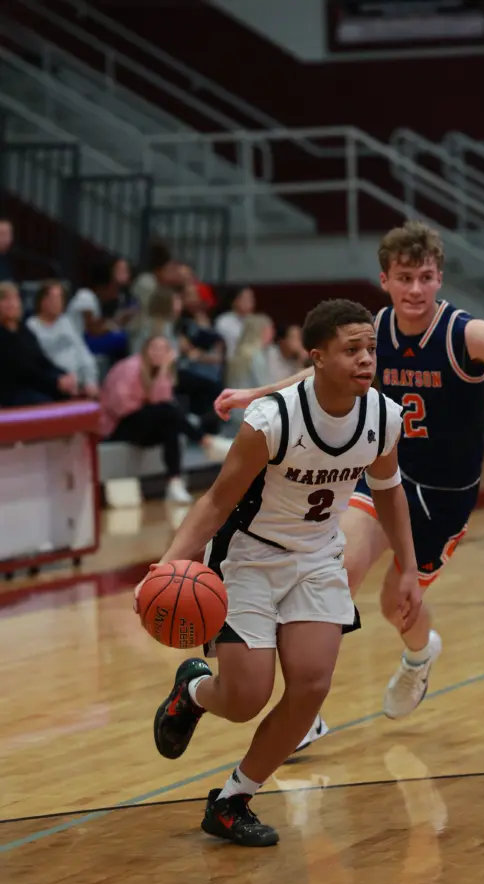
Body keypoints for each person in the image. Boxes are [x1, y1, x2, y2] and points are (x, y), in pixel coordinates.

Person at [214, 221, 484, 732]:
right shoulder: (376, 331)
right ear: (385, 280)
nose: (415, 289)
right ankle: (306, 710)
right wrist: (257, 395)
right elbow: (319, 372)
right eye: (405, 278)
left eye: (426, 277)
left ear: (440, 279)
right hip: (383, 476)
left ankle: (419, 656)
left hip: (443, 496)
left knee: (398, 604)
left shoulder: (467, 333)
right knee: (337, 573)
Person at [135, 299, 420, 846]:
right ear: (317, 357)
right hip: (249, 557)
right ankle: (193, 691)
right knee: (246, 698)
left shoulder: (382, 417)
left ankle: (232, 800)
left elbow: (388, 492)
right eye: (352, 350)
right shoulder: (272, 420)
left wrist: (408, 567)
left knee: (311, 685)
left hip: (317, 558)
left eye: (370, 349)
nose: (366, 359)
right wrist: (169, 565)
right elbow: (217, 502)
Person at [100, 335, 231, 504]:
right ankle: (206, 441)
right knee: (167, 412)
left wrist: (163, 370)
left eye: (163, 349)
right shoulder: (129, 368)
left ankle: (174, 484)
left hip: (144, 426)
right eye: (154, 348)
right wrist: (150, 403)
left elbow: (161, 401)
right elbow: (121, 408)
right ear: (145, 350)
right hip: (118, 427)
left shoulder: (161, 371)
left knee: (170, 426)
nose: (158, 353)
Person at [0, 282, 77, 407]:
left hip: (38, 385)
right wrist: (55, 381)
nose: (12, 303)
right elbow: (23, 370)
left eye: (15, 298)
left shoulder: (24, 331)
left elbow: (42, 360)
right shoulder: (3, 336)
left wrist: (63, 375)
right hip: (14, 391)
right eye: (5, 299)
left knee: (71, 395)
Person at [27, 280, 100, 399]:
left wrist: (90, 381)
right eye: (54, 298)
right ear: (43, 301)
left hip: (79, 385)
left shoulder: (67, 323)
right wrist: (58, 380)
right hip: (52, 387)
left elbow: (83, 354)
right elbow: (37, 366)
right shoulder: (31, 327)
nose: (59, 302)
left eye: (60, 298)